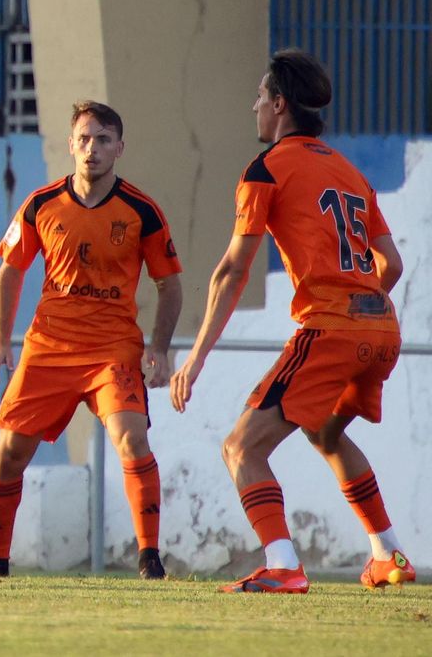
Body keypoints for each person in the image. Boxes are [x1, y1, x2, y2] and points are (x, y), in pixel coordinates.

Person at [170, 49, 414, 594]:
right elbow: (392, 265)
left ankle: (283, 565)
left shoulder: (267, 168)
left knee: (241, 448)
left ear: (280, 104)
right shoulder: (349, 171)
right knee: (325, 433)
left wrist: (197, 356)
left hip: (330, 328)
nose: (254, 106)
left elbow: (233, 270)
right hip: (381, 329)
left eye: (260, 96)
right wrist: (362, 309)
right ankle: (388, 553)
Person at [0, 101, 183, 580]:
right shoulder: (41, 203)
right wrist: (0, 342)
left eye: (103, 140)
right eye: (85, 139)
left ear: (120, 148)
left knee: (131, 438)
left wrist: (159, 347)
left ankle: (150, 558)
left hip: (113, 349)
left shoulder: (142, 211)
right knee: (9, 454)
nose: (93, 149)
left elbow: (169, 284)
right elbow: (11, 270)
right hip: (49, 347)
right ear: (71, 144)